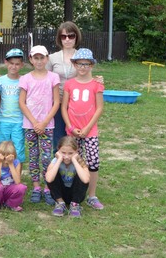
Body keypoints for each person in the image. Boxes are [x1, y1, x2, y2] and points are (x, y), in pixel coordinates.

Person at [61, 48, 105, 210]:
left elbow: (99, 108)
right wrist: (71, 127)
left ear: (91, 65)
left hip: (89, 131)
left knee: (93, 162)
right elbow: (64, 107)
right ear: (74, 65)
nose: (82, 67)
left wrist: (87, 128)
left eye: (86, 64)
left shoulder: (97, 84)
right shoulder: (69, 84)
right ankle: (73, 193)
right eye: (79, 64)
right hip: (72, 131)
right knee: (72, 160)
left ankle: (92, 196)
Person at [19, 45, 60, 206]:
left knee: (46, 157)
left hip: (47, 125)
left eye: (42, 58)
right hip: (30, 125)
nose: (39, 61)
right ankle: (36, 187)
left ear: (47, 58)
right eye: (36, 58)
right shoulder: (26, 78)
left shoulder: (53, 77)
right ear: (31, 59)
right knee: (33, 156)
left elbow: (56, 102)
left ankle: (48, 187)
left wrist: (44, 122)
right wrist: (35, 122)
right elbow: (22, 103)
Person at [47, 21, 82, 149]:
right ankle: (57, 160)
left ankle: (74, 160)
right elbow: (46, 79)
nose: (67, 39)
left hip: (75, 103)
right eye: (63, 36)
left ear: (76, 37)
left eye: (71, 36)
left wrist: (98, 80)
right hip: (57, 102)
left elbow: (87, 77)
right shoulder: (52, 58)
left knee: (75, 135)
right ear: (59, 38)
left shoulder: (82, 56)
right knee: (58, 136)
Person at [0, 48, 26, 169]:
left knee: (18, 149)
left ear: (22, 65)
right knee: (2, 148)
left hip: (18, 121)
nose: (14, 66)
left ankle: (17, 175)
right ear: (6, 62)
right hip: (3, 120)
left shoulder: (24, 80)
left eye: (17, 64)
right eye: (11, 63)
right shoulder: (0, 81)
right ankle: (3, 174)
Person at [45, 136, 90, 217]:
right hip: (61, 193)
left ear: (76, 151)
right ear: (58, 150)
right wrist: (59, 159)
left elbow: (86, 180)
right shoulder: (55, 161)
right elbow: (49, 179)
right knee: (52, 173)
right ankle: (60, 203)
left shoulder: (80, 162)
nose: (66, 156)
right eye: (63, 152)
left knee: (82, 174)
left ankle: (75, 205)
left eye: (70, 153)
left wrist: (74, 160)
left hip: (75, 193)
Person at [0, 141, 27, 212]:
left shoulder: (16, 162)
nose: (5, 159)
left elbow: (17, 181)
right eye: (3, 156)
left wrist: (11, 164)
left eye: (8, 156)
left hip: (9, 189)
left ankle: (11, 204)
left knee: (21, 187)